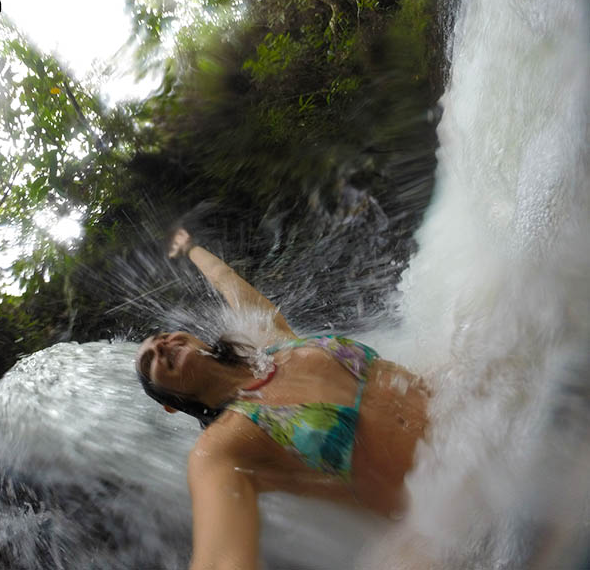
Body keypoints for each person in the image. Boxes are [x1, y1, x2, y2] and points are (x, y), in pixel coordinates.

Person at [135, 228, 430, 570]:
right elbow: (219, 560)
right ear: (169, 403)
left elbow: (226, 281)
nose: (160, 345)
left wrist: (190, 249)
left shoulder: (274, 345)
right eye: (149, 360)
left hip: (474, 417)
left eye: (162, 336)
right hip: (456, 503)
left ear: (193, 338)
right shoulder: (222, 447)